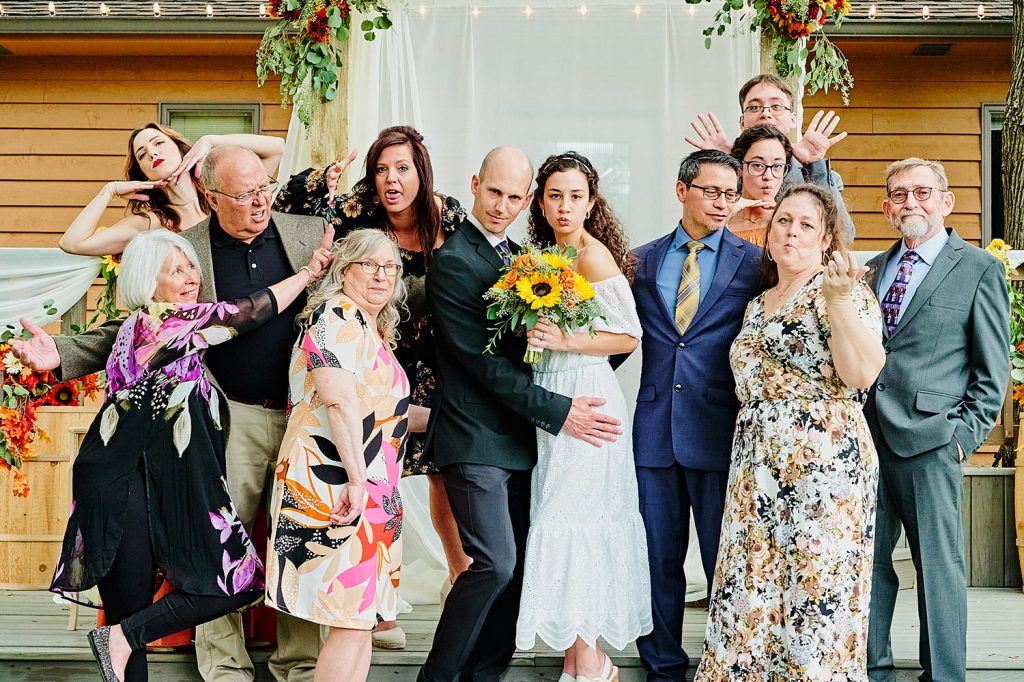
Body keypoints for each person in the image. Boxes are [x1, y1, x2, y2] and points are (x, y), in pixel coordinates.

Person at [25, 145, 330, 682]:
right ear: (211, 197)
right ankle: (168, 651)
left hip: (142, 465)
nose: (190, 276)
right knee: (198, 586)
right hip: (138, 472)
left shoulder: (145, 323)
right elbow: (247, 312)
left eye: (263, 188)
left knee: (132, 612)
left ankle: (123, 638)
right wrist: (306, 274)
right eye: (242, 193)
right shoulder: (176, 321)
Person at [418, 146, 623, 682]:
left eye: (514, 196)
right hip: (474, 436)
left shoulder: (518, 258)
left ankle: (483, 676)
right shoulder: (455, 261)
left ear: (524, 198)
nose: (501, 205)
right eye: (493, 192)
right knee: (494, 564)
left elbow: (575, 338)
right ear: (474, 185)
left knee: (521, 568)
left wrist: (579, 368)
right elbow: (485, 365)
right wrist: (561, 410)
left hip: (523, 440)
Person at [274, 126, 469, 648]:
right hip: (366, 344)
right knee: (371, 467)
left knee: (442, 470)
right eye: (382, 169)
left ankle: (459, 576)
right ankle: (373, 606)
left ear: (421, 172)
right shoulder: (356, 209)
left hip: (432, 353)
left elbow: (475, 270)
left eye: (402, 168)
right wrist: (322, 175)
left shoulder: (445, 214)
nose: (391, 180)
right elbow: (284, 201)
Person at [695, 184, 885, 680]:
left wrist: (841, 300)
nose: (792, 232)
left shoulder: (842, 290)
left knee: (815, 591)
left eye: (806, 225)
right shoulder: (757, 305)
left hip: (823, 467)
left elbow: (863, 373)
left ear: (827, 241)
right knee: (752, 588)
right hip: (756, 467)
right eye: (784, 221)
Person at [864, 158, 1009, 682]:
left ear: (946, 201)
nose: (911, 203)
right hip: (866, 439)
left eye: (922, 192)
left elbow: (992, 372)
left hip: (932, 441)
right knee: (868, 564)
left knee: (939, 569)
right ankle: (871, 667)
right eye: (899, 194)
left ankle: (943, 675)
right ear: (886, 208)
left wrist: (961, 437)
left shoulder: (978, 268)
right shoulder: (875, 269)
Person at [513, 151, 652, 681]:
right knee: (559, 515)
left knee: (579, 518)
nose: (565, 206)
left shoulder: (593, 257)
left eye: (575, 196)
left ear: (591, 203)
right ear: (540, 203)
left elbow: (628, 335)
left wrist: (564, 340)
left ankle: (589, 659)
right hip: (550, 394)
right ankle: (581, 656)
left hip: (587, 396)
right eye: (555, 196)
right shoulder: (540, 256)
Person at [266, 228, 423, 682]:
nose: (381, 275)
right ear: (342, 269)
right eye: (368, 265)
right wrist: (357, 481)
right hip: (335, 484)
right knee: (350, 620)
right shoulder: (335, 317)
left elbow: (384, 410)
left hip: (371, 491)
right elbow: (338, 401)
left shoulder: (367, 329)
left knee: (359, 622)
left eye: (390, 267)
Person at [630, 149, 762, 681]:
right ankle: (662, 666)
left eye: (730, 194)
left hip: (719, 431)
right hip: (653, 430)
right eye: (711, 192)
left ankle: (723, 664)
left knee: (722, 563)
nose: (722, 203)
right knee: (656, 561)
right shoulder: (639, 261)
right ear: (682, 190)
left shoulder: (754, 263)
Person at [58, 122, 285, 255]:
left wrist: (210, 140)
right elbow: (72, 243)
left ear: (179, 148)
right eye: (143, 155)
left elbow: (277, 148)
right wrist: (109, 191)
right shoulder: (152, 222)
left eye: (158, 143)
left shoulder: (223, 190)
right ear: (143, 172)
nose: (152, 154)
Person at [685, 73, 855, 241]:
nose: (765, 114)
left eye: (776, 106)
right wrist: (721, 164)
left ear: (793, 119)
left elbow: (844, 236)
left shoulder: (820, 175)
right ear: (742, 121)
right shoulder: (729, 170)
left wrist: (814, 164)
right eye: (754, 107)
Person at [727, 124, 793, 247]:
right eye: (758, 165)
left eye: (777, 166)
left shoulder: (793, 222)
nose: (768, 176)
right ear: (739, 168)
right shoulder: (722, 216)